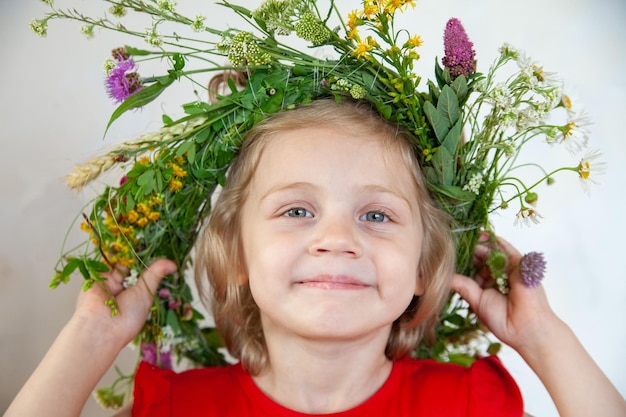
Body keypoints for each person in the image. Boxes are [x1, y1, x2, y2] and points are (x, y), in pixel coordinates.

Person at [4, 98, 625, 417]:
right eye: (297, 210)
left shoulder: (464, 403)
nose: (337, 239)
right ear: (238, 255)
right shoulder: (180, 406)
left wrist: (543, 337)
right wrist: (90, 338)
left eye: (376, 215)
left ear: (420, 269)